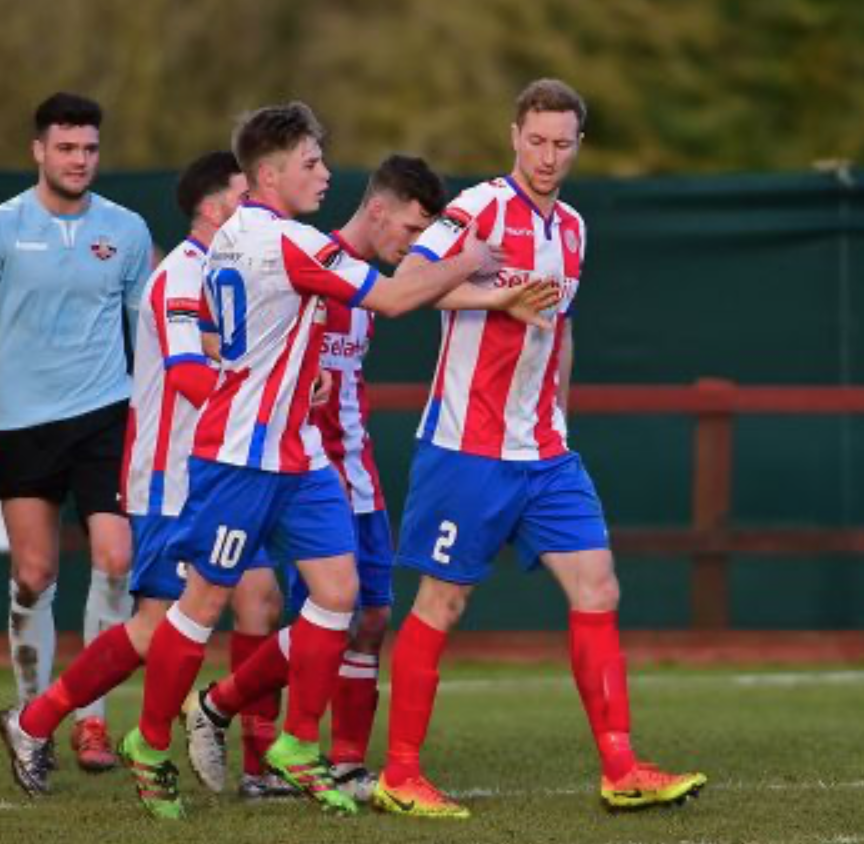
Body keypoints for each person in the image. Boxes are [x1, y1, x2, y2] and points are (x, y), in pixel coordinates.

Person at [115, 101, 505, 821]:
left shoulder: (234, 236)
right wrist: (469, 258)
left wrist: (294, 369)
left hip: (299, 452)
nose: (325, 175)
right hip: (239, 457)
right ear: (269, 174)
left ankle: (298, 746)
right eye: (311, 164)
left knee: (339, 590)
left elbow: (249, 326)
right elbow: (389, 299)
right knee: (202, 603)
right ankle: (146, 743)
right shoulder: (289, 241)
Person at [370, 78, 709, 819]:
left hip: (546, 451)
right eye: (536, 140)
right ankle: (400, 774)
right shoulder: (480, 207)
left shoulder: (576, 228)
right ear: (513, 135)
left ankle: (621, 767)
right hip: (467, 445)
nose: (548, 155)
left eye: (562, 143)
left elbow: (562, 328)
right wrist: (495, 295)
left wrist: (557, 410)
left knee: (599, 588)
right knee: (444, 601)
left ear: (577, 144)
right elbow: (407, 283)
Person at [180, 152, 557, 803]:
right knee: (317, 612)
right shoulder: (314, 262)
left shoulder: (356, 279)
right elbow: (229, 336)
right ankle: (241, 727)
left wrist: (496, 295)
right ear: (378, 210)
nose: (412, 248)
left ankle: (343, 760)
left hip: (357, 472)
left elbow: (407, 297)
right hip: (302, 471)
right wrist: (472, 264)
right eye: (411, 234)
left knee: (372, 613)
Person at [0, 151, 292, 799]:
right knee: (157, 625)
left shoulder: (228, 275)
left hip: (225, 473)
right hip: (170, 480)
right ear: (216, 208)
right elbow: (195, 379)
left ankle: (254, 759)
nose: (260, 211)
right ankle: (38, 719)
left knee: (261, 598)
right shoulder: (181, 276)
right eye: (247, 198)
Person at [0, 92, 152, 771]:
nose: (79, 159)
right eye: (66, 147)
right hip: (19, 422)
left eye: (89, 148)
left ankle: (91, 719)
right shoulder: (5, 226)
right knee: (33, 575)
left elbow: (148, 327)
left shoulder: (126, 230)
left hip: (103, 415)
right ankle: (29, 720)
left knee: (116, 560)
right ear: (39, 151)